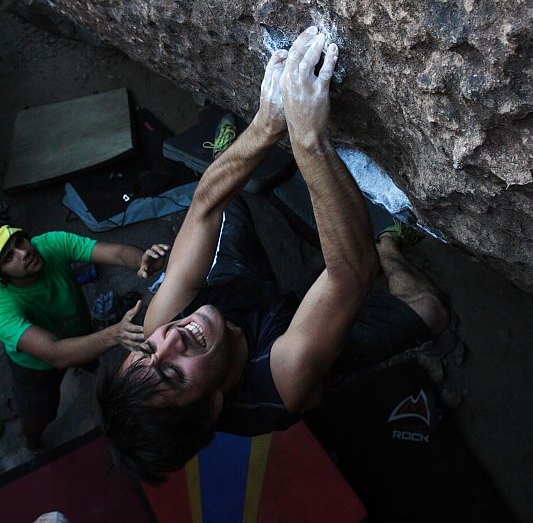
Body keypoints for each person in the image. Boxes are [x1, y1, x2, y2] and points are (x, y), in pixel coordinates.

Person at [98, 26, 449, 483]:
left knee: (226, 198)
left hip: (236, 288)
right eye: (173, 374)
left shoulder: (162, 322)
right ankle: (391, 244)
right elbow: (350, 273)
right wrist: (306, 136)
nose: (170, 339)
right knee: (430, 310)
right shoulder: (281, 381)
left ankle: (233, 143)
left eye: (148, 349)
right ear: (212, 409)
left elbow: (205, 206)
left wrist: (267, 121)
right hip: (286, 337)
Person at [0, 224, 169, 451]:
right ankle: (32, 443)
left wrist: (145, 261)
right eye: (8, 257)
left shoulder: (51, 243)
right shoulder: (3, 306)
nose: (23, 252)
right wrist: (113, 334)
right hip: (36, 366)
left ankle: (87, 364)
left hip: (79, 332)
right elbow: (55, 354)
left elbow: (117, 253)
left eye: (19, 242)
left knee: (92, 362)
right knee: (40, 412)